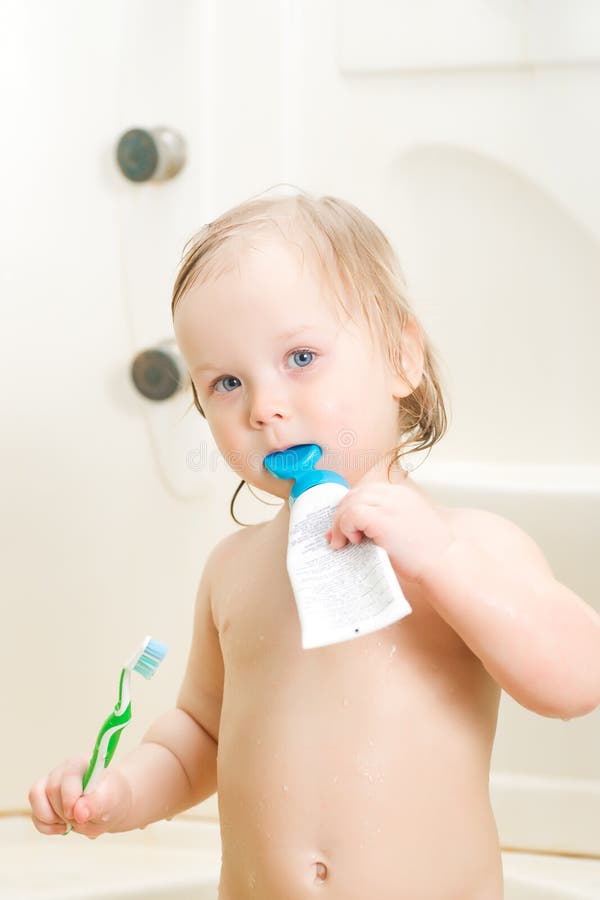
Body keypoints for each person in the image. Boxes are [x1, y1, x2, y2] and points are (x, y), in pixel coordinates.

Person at [29, 189, 600, 899]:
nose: (264, 406)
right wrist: (120, 795)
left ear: (401, 358)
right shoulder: (234, 571)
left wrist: (443, 562)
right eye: (227, 382)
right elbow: (199, 736)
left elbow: (578, 680)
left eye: (301, 357)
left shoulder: (469, 545)